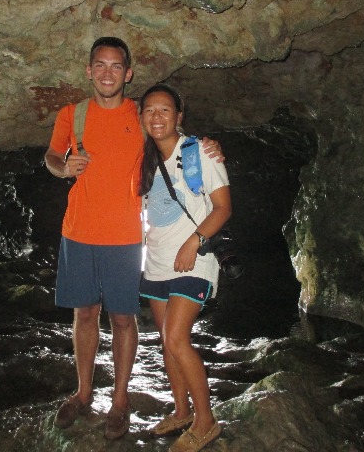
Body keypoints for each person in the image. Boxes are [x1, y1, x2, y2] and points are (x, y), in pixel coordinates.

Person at [44, 37, 223, 440]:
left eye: (116, 66)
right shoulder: (72, 115)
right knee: (84, 314)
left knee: (123, 318)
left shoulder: (138, 115)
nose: (107, 73)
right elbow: (52, 156)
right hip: (78, 231)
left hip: (126, 236)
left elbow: (170, 131)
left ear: (128, 73)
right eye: (100, 65)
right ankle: (83, 393)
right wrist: (62, 167)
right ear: (89, 71)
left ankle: (120, 400)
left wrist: (208, 145)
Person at [138, 83, 230, 452]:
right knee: (167, 343)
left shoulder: (199, 153)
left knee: (177, 339)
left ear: (179, 116)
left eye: (164, 109)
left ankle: (206, 422)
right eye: (149, 110)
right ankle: (181, 412)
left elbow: (223, 208)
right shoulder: (145, 159)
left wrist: (194, 241)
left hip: (194, 261)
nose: (156, 116)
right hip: (157, 263)